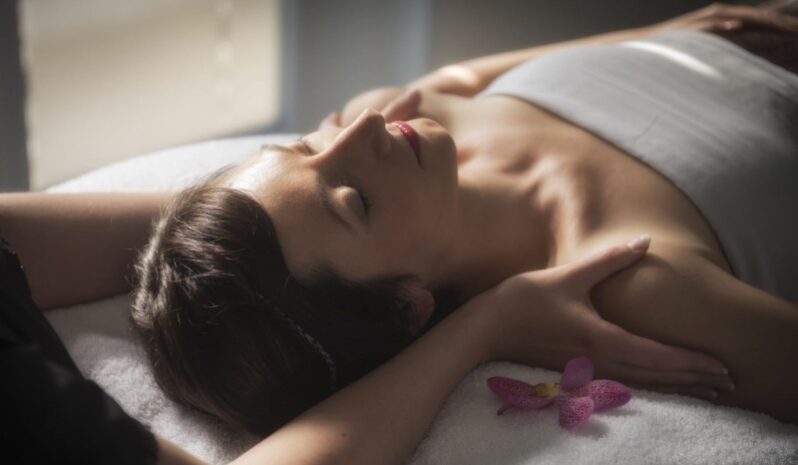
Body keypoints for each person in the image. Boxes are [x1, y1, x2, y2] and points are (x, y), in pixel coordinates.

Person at [0, 2, 796, 464]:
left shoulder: (415, 109)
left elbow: (465, 80)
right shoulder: (631, 277)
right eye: (353, 199)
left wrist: (684, 28)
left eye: (306, 146)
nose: (363, 132)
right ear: (411, 309)